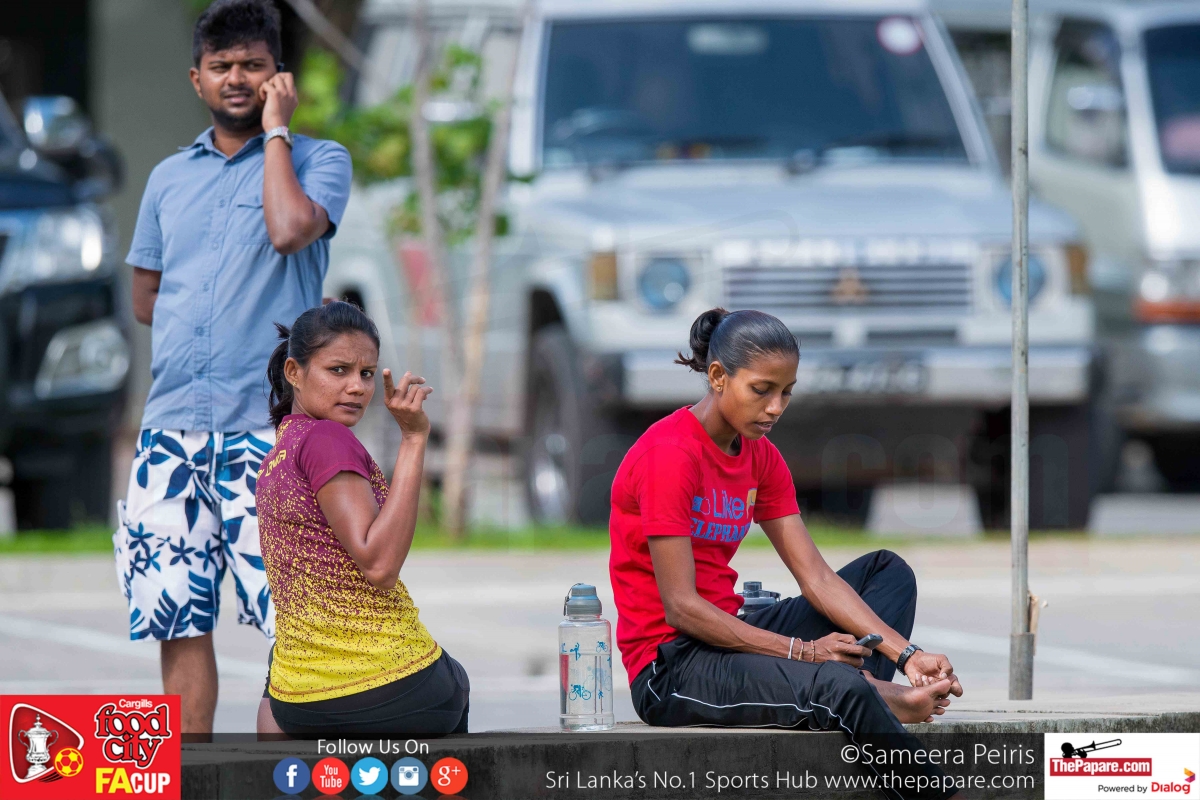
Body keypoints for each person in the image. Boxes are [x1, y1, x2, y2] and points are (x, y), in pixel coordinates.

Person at [112, 0, 352, 733]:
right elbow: (146, 296)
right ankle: (192, 775)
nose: (237, 78)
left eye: (254, 64)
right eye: (222, 66)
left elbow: (288, 230)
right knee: (177, 617)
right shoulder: (167, 177)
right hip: (172, 433)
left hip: (268, 433)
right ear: (197, 78)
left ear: (280, 75)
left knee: (292, 621)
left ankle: (277, 776)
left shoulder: (319, 161)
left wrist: (277, 132)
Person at [608, 308, 965, 800]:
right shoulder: (669, 454)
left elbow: (816, 578)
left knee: (887, 571)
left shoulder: (759, 455)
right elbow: (682, 607)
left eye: (787, 392)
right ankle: (877, 707)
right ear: (718, 376)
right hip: (671, 667)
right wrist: (805, 652)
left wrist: (907, 654)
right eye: (762, 390)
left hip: (729, 639)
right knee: (836, 684)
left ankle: (870, 693)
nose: (776, 407)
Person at [254, 302, 469, 736]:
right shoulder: (327, 438)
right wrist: (414, 438)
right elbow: (379, 565)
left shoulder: (277, 456)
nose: (356, 387)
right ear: (294, 372)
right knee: (453, 682)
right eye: (338, 370)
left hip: (294, 702)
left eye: (366, 373)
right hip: (389, 686)